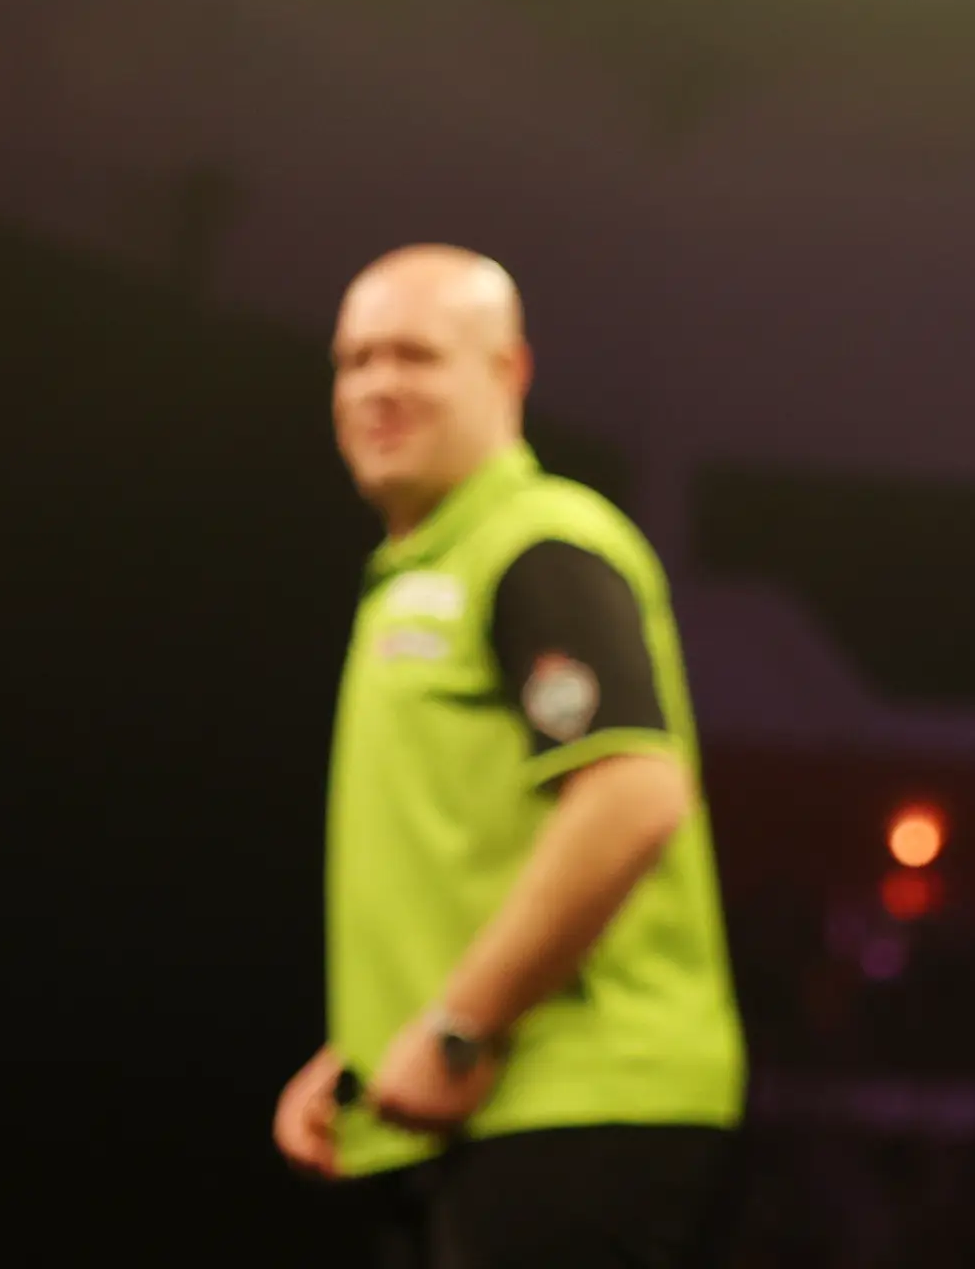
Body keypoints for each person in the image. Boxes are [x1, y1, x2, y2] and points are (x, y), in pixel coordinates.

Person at [271, 244, 745, 1267]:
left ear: (508, 373)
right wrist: (366, 1042)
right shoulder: (413, 572)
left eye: (416, 356)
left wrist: (457, 1027)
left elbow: (632, 794)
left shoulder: (540, 544)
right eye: (354, 362)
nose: (377, 387)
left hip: (576, 1100)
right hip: (480, 1110)